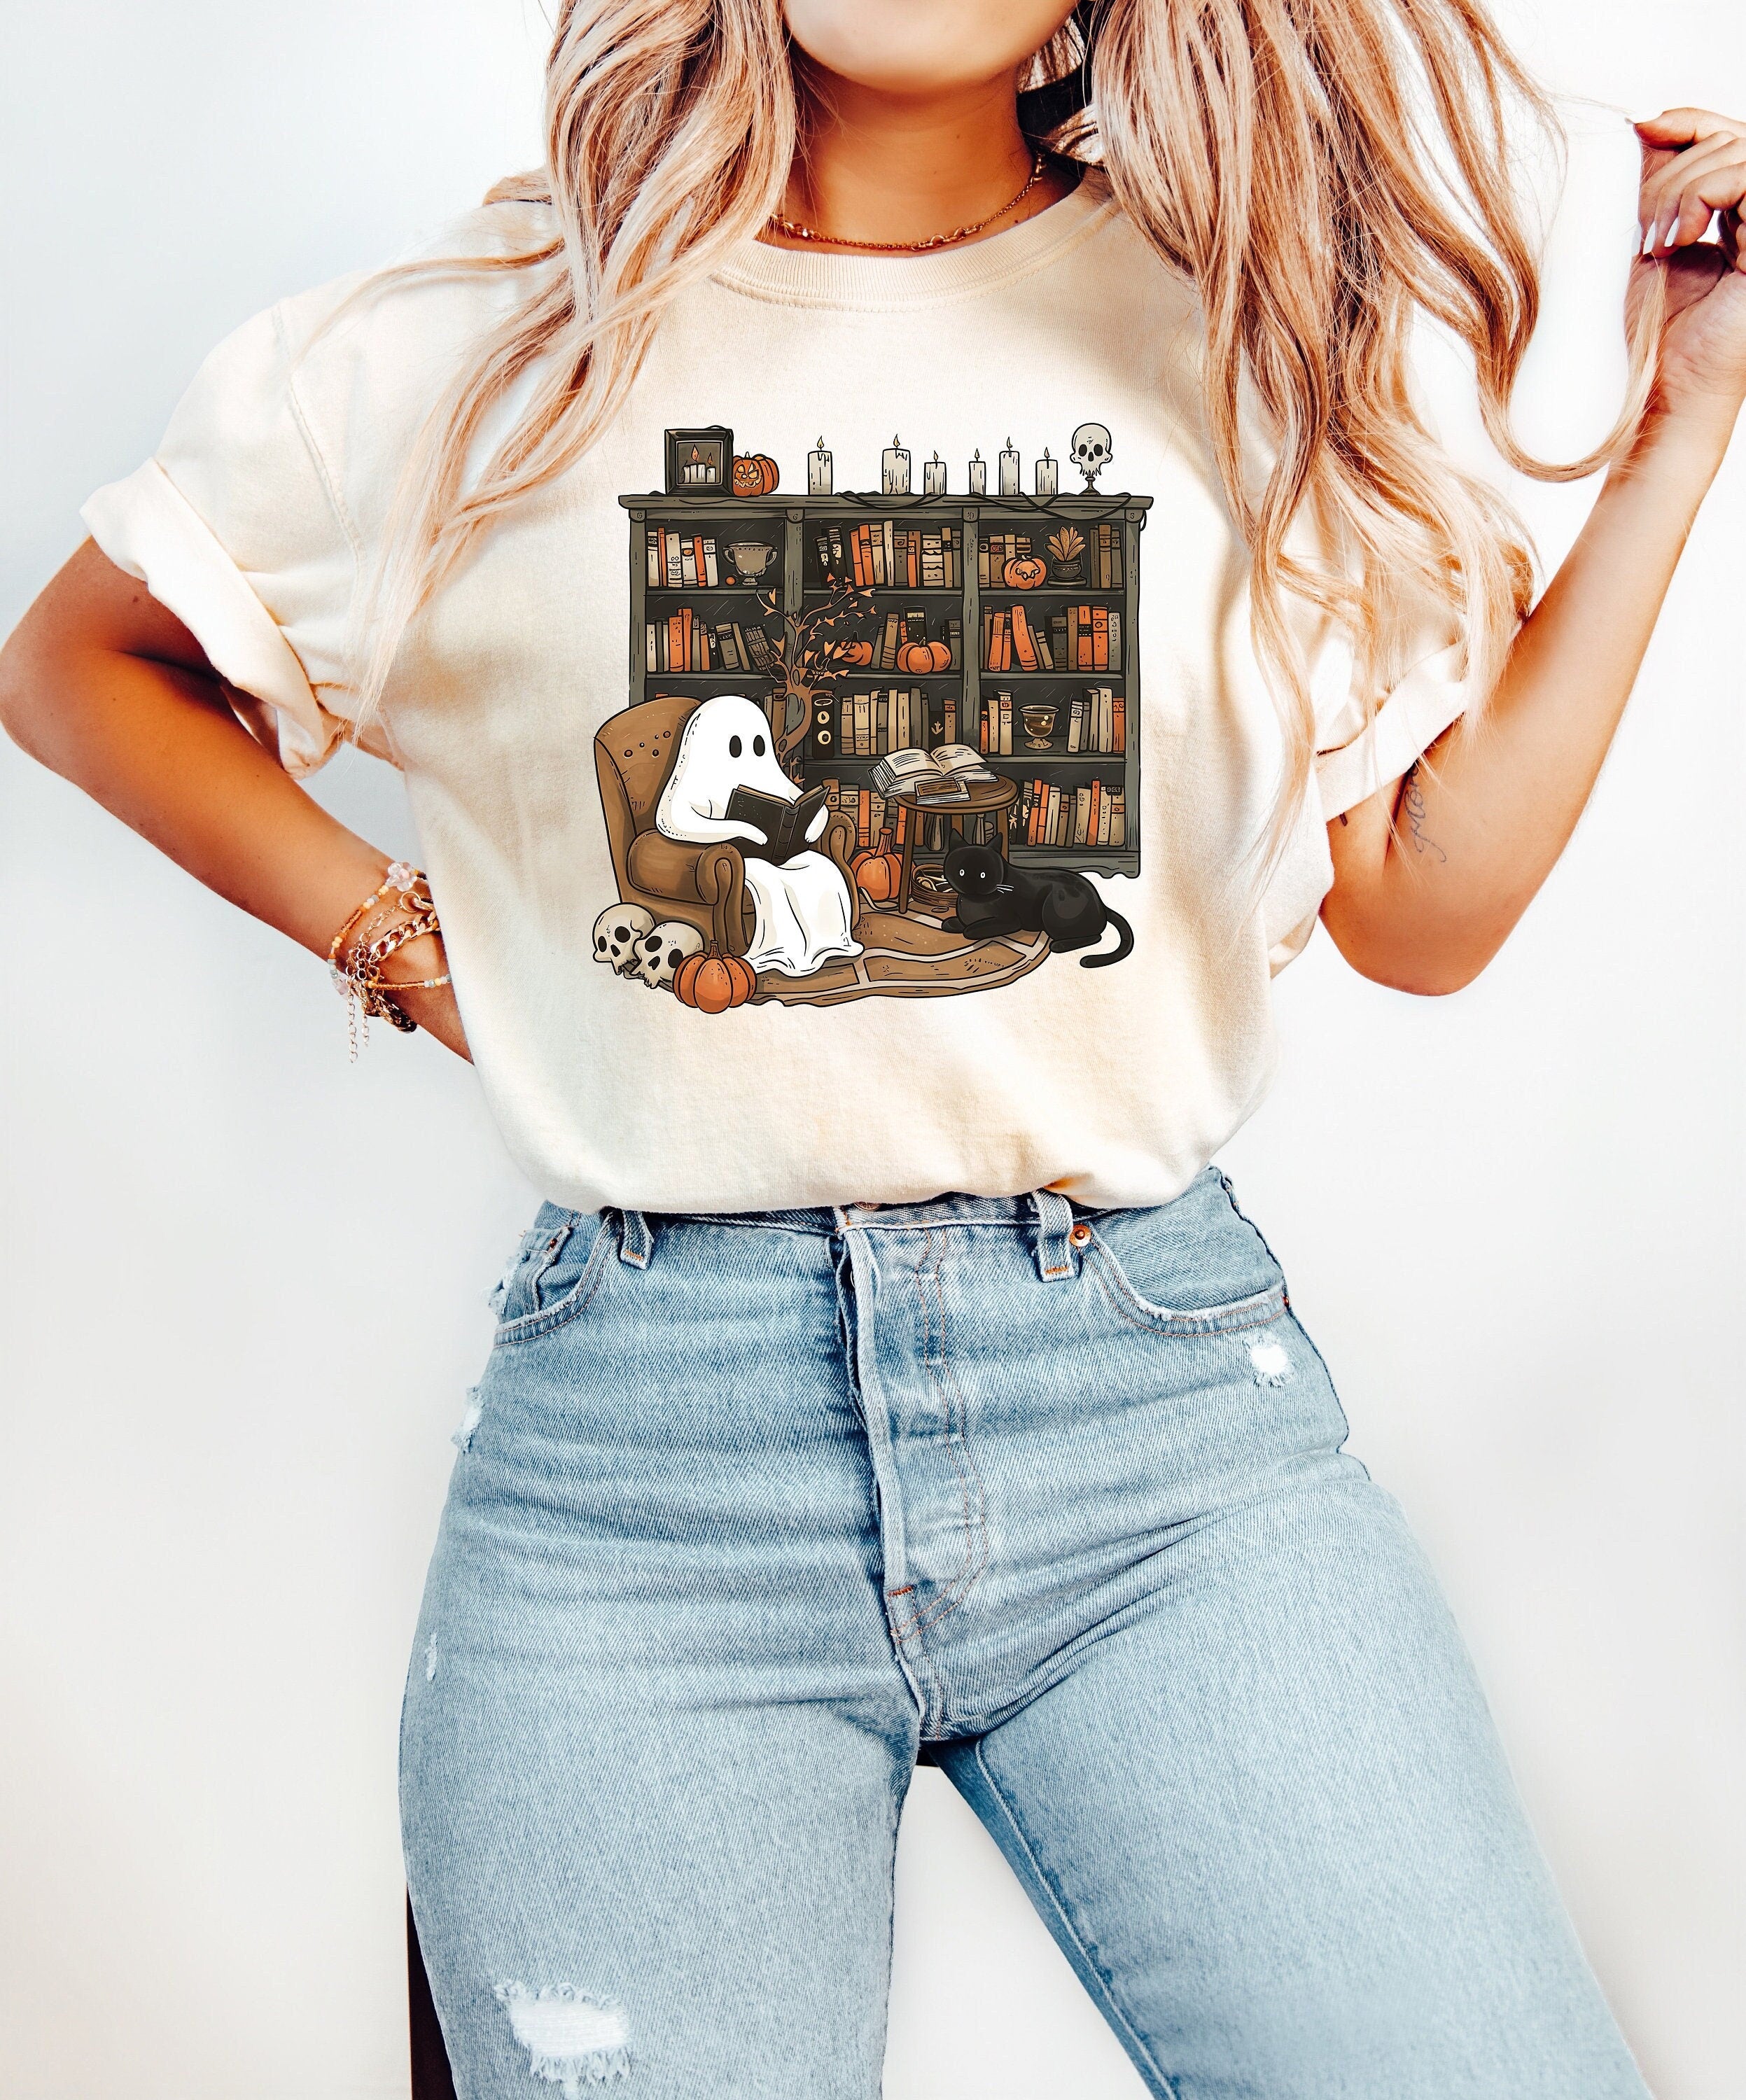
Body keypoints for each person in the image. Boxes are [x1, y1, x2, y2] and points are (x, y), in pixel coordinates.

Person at [2, 1, 1740, 2092]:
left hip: (1161, 1441)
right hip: (645, 1489)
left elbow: (1424, 908)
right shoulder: (490, 353)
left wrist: (1684, 421)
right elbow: (84, 665)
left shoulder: (1242, 334)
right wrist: (414, 952)